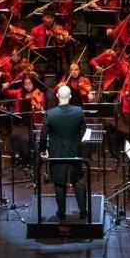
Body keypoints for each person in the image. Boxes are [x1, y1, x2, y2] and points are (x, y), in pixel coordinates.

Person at [40, 85, 88, 221]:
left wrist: (43, 150)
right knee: (78, 180)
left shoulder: (50, 113)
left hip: (56, 151)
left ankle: (61, 212)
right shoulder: (78, 111)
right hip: (74, 151)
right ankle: (83, 211)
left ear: (57, 96)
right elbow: (83, 130)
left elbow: (43, 135)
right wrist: (75, 141)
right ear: (71, 97)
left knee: (59, 182)